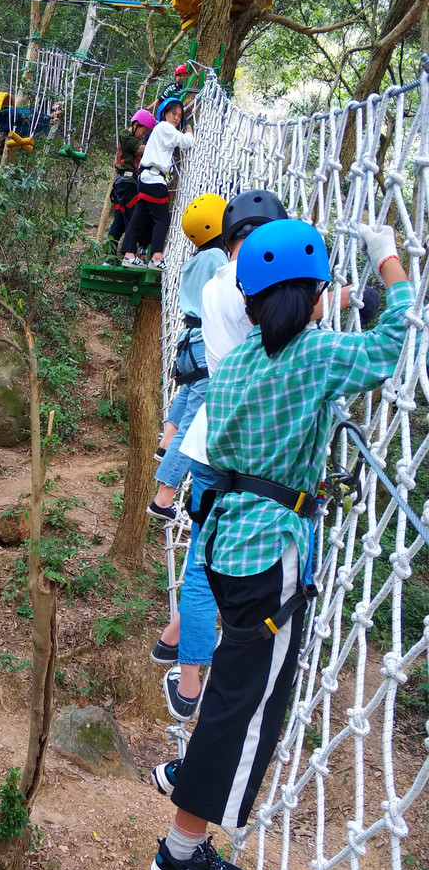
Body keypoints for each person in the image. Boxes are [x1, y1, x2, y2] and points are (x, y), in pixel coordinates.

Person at [148, 219, 413, 870]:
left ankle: (186, 776)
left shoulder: (234, 364)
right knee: (251, 704)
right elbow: (390, 345)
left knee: (237, 681)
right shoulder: (318, 357)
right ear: (313, 297)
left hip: (228, 542)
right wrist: (389, 260)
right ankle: (182, 850)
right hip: (274, 557)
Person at [149, 190, 287, 724]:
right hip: (253, 443)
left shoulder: (210, 283)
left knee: (205, 552)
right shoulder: (259, 280)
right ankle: (189, 685)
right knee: (209, 566)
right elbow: (288, 326)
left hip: (211, 437)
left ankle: (173, 637)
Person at [146, 193, 227, 524]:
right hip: (204, 343)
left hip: (186, 342)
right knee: (195, 426)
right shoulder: (218, 258)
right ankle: (163, 499)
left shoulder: (194, 260)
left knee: (185, 400)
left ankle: (164, 445)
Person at [121, 98, 194, 271]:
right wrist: (189, 129)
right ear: (164, 113)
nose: (176, 118)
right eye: (173, 113)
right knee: (162, 219)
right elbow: (186, 142)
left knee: (138, 218)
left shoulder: (161, 131)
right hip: (154, 179)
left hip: (146, 178)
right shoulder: (164, 127)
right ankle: (157, 257)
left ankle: (129, 254)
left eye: (179, 115)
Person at [105, 109, 156, 256]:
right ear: (135, 125)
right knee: (133, 218)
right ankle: (130, 252)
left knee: (120, 221)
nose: (143, 136)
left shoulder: (130, 137)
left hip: (123, 184)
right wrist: (158, 145)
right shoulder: (125, 135)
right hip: (127, 183)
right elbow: (140, 149)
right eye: (144, 132)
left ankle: (110, 254)